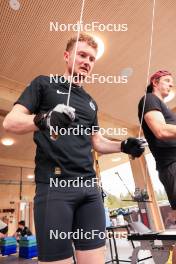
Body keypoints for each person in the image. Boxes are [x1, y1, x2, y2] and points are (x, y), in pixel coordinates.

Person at [3, 33, 144, 264]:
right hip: (55, 187)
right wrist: (44, 119)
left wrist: (123, 145)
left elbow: (97, 142)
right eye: (82, 55)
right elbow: (10, 122)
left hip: (89, 190)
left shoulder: (91, 102)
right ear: (67, 56)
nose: (87, 61)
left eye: (91, 58)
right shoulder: (43, 83)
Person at [138, 69, 176, 263]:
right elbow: (160, 130)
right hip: (172, 166)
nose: (171, 84)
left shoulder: (163, 107)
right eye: (167, 80)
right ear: (155, 81)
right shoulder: (149, 99)